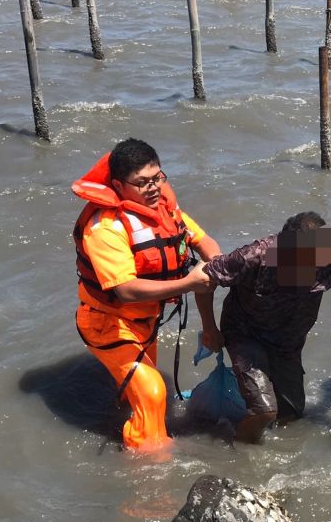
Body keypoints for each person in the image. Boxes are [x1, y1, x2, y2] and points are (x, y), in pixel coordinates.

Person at [198, 211, 331, 443]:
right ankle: (238, 453)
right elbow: (205, 278)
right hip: (246, 334)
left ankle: (277, 455)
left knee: (292, 414)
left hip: (288, 341)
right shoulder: (254, 256)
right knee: (264, 410)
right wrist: (210, 328)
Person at [72, 138, 220, 452]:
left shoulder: (164, 209)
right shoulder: (105, 228)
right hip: (107, 324)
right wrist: (188, 284)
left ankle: (124, 418)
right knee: (153, 393)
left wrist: (221, 272)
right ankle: (150, 480)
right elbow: (125, 290)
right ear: (117, 185)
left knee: (139, 391)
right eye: (141, 183)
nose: (153, 188)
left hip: (146, 320)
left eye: (157, 178)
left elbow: (206, 245)